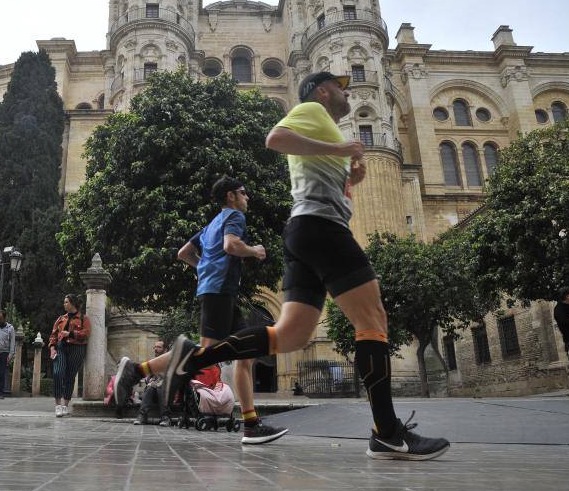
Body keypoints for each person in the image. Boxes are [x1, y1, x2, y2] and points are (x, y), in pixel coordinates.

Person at [162, 72, 451, 460]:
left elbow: (319, 178)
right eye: (340, 85)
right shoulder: (312, 110)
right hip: (322, 229)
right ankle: (387, 433)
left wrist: (353, 176)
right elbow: (275, 139)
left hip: (305, 230)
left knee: (290, 335)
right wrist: (339, 151)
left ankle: (193, 358)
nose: (347, 91)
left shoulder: (326, 128)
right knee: (373, 321)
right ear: (322, 89)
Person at [114, 176, 287, 444]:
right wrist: (255, 251)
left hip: (220, 292)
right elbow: (231, 245)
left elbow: (184, 253)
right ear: (231, 196)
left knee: (247, 354)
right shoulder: (234, 217)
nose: (247, 197)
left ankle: (251, 424)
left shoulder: (210, 225)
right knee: (204, 353)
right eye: (244, 192)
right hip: (218, 292)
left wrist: (204, 269)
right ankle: (137, 370)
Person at [48, 294, 90, 417]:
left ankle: (65, 405)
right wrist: (52, 348)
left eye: (66, 302)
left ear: (72, 304)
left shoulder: (83, 318)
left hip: (77, 348)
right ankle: (57, 405)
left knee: (70, 377)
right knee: (57, 373)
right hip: (61, 348)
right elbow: (53, 336)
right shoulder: (60, 319)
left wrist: (70, 334)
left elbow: (86, 334)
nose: (64, 304)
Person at [133, 340, 171, 426]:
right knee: (151, 387)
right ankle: (142, 416)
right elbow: (146, 378)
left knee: (160, 386)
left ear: (165, 350)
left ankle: (165, 417)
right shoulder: (153, 362)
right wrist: (150, 380)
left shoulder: (171, 362)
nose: (155, 349)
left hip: (167, 393)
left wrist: (161, 380)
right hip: (153, 393)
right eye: (155, 347)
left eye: (159, 347)